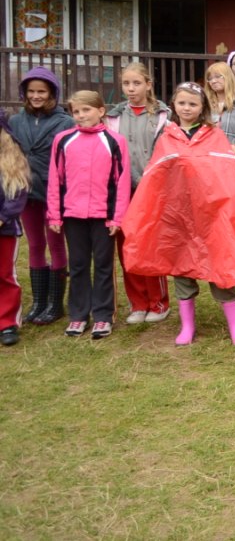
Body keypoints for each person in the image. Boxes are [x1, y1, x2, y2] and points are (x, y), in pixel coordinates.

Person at [122, 82, 235, 347]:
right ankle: (187, 326)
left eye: (192, 104)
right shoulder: (167, 137)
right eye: (182, 103)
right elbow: (156, 178)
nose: (187, 108)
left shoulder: (215, 136)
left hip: (213, 216)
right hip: (179, 217)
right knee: (182, 268)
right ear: (174, 105)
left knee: (221, 267)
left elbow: (228, 177)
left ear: (202, 108)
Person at [47, 90, 131, 339]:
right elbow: (55, 178)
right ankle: (78, 315)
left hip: (103, 216)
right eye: (76, 111)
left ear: (101, 111)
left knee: (103, 266)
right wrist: (54, 215)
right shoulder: (63, 140)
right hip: (73, 215)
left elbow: (121, 181)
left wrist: (117, 217)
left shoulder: (115, 141)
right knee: (78, 264)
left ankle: (103, 315)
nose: (81, 115)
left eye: (86, 110)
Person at [106, 62, 171, 325]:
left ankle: (158, 301)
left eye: (136, 83)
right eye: (126, 84)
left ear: (148, 84)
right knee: (127, 246)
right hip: (123, 191)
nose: (131, 88)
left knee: (150, 246)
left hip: (151, 189)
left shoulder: (162, 116)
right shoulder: (114, 117)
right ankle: (138, 303)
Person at [10, 67, 75, 327]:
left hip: (54, 192)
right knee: (35, 245)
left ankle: (55, 304)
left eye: (42, 91)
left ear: (52, 93)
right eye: (31, 91)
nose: (36, 96)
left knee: (56, 244)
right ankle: (39, 301)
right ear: (24, 93)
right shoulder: (16, 121)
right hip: (27, 191)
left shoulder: (65, 122)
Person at [0, 112, 30, 346]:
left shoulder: (11, 158)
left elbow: (18, 193)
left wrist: (3, 217)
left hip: (5, 229)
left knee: (4, 275)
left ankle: (7, 322)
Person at [205, 61, 235, 157]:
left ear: (228, 77)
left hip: (233, 159)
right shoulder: (205, 106)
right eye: (210, 79)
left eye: (218, 76)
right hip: (208, 159)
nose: (213, 81)